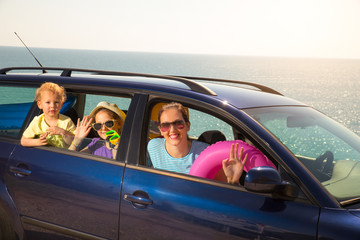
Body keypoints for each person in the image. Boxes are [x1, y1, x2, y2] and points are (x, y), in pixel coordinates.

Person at [147, 102, 248, 185]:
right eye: (166, 125)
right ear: (160, 130)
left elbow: (226, 196)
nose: (172, 130)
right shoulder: (153, 146)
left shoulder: (205, 154)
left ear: (188, 126)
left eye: (178, 123)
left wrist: (233, 180)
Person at [21, 82, 76, 148]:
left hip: (63, 156)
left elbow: (75, 142)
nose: (52, 106)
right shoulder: (37, 122)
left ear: (61, 104)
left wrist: (63, 132)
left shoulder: (66, 121)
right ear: (39, 104)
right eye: (48, 102)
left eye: (56, 102)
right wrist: (38, 141)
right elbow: (23, 141)